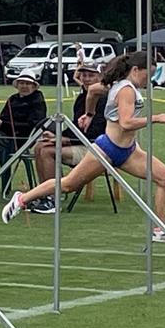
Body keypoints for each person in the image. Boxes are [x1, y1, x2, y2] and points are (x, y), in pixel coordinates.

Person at [2, 51, 165, 245]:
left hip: (130, 151)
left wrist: (89, 114)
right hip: (108, 149)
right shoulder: (126, 90)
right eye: (148, 74)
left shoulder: (115, 85)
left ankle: (159, 230)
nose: (149, 79)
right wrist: (156, 118)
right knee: (68, 184)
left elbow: (92, 91)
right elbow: (126, 123)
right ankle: (21, 199)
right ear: (135, 70)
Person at [28, 62, 108, 214]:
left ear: (100, 77)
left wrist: (65, 140)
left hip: (96, 148)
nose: (87, 79)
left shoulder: (104, 99)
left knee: (47, 151)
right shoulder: (81, 97)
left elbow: (96, 131)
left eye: (91, 75)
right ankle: (45, 195)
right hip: (81, 143)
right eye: (84, 75)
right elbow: (76, 127)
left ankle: (53, 199)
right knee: (40, 146)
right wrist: (58, 136)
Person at [0, 73, 47, 193]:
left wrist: (4, 124)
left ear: (34, 86)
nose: (24, 86)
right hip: (6, 134)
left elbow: (33, 125)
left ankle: (5, 187)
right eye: (22, 83)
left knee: (2, 147)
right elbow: (4, 117)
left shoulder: (37, 101)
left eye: (27, 83)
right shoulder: (12, 99)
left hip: (23, 139)